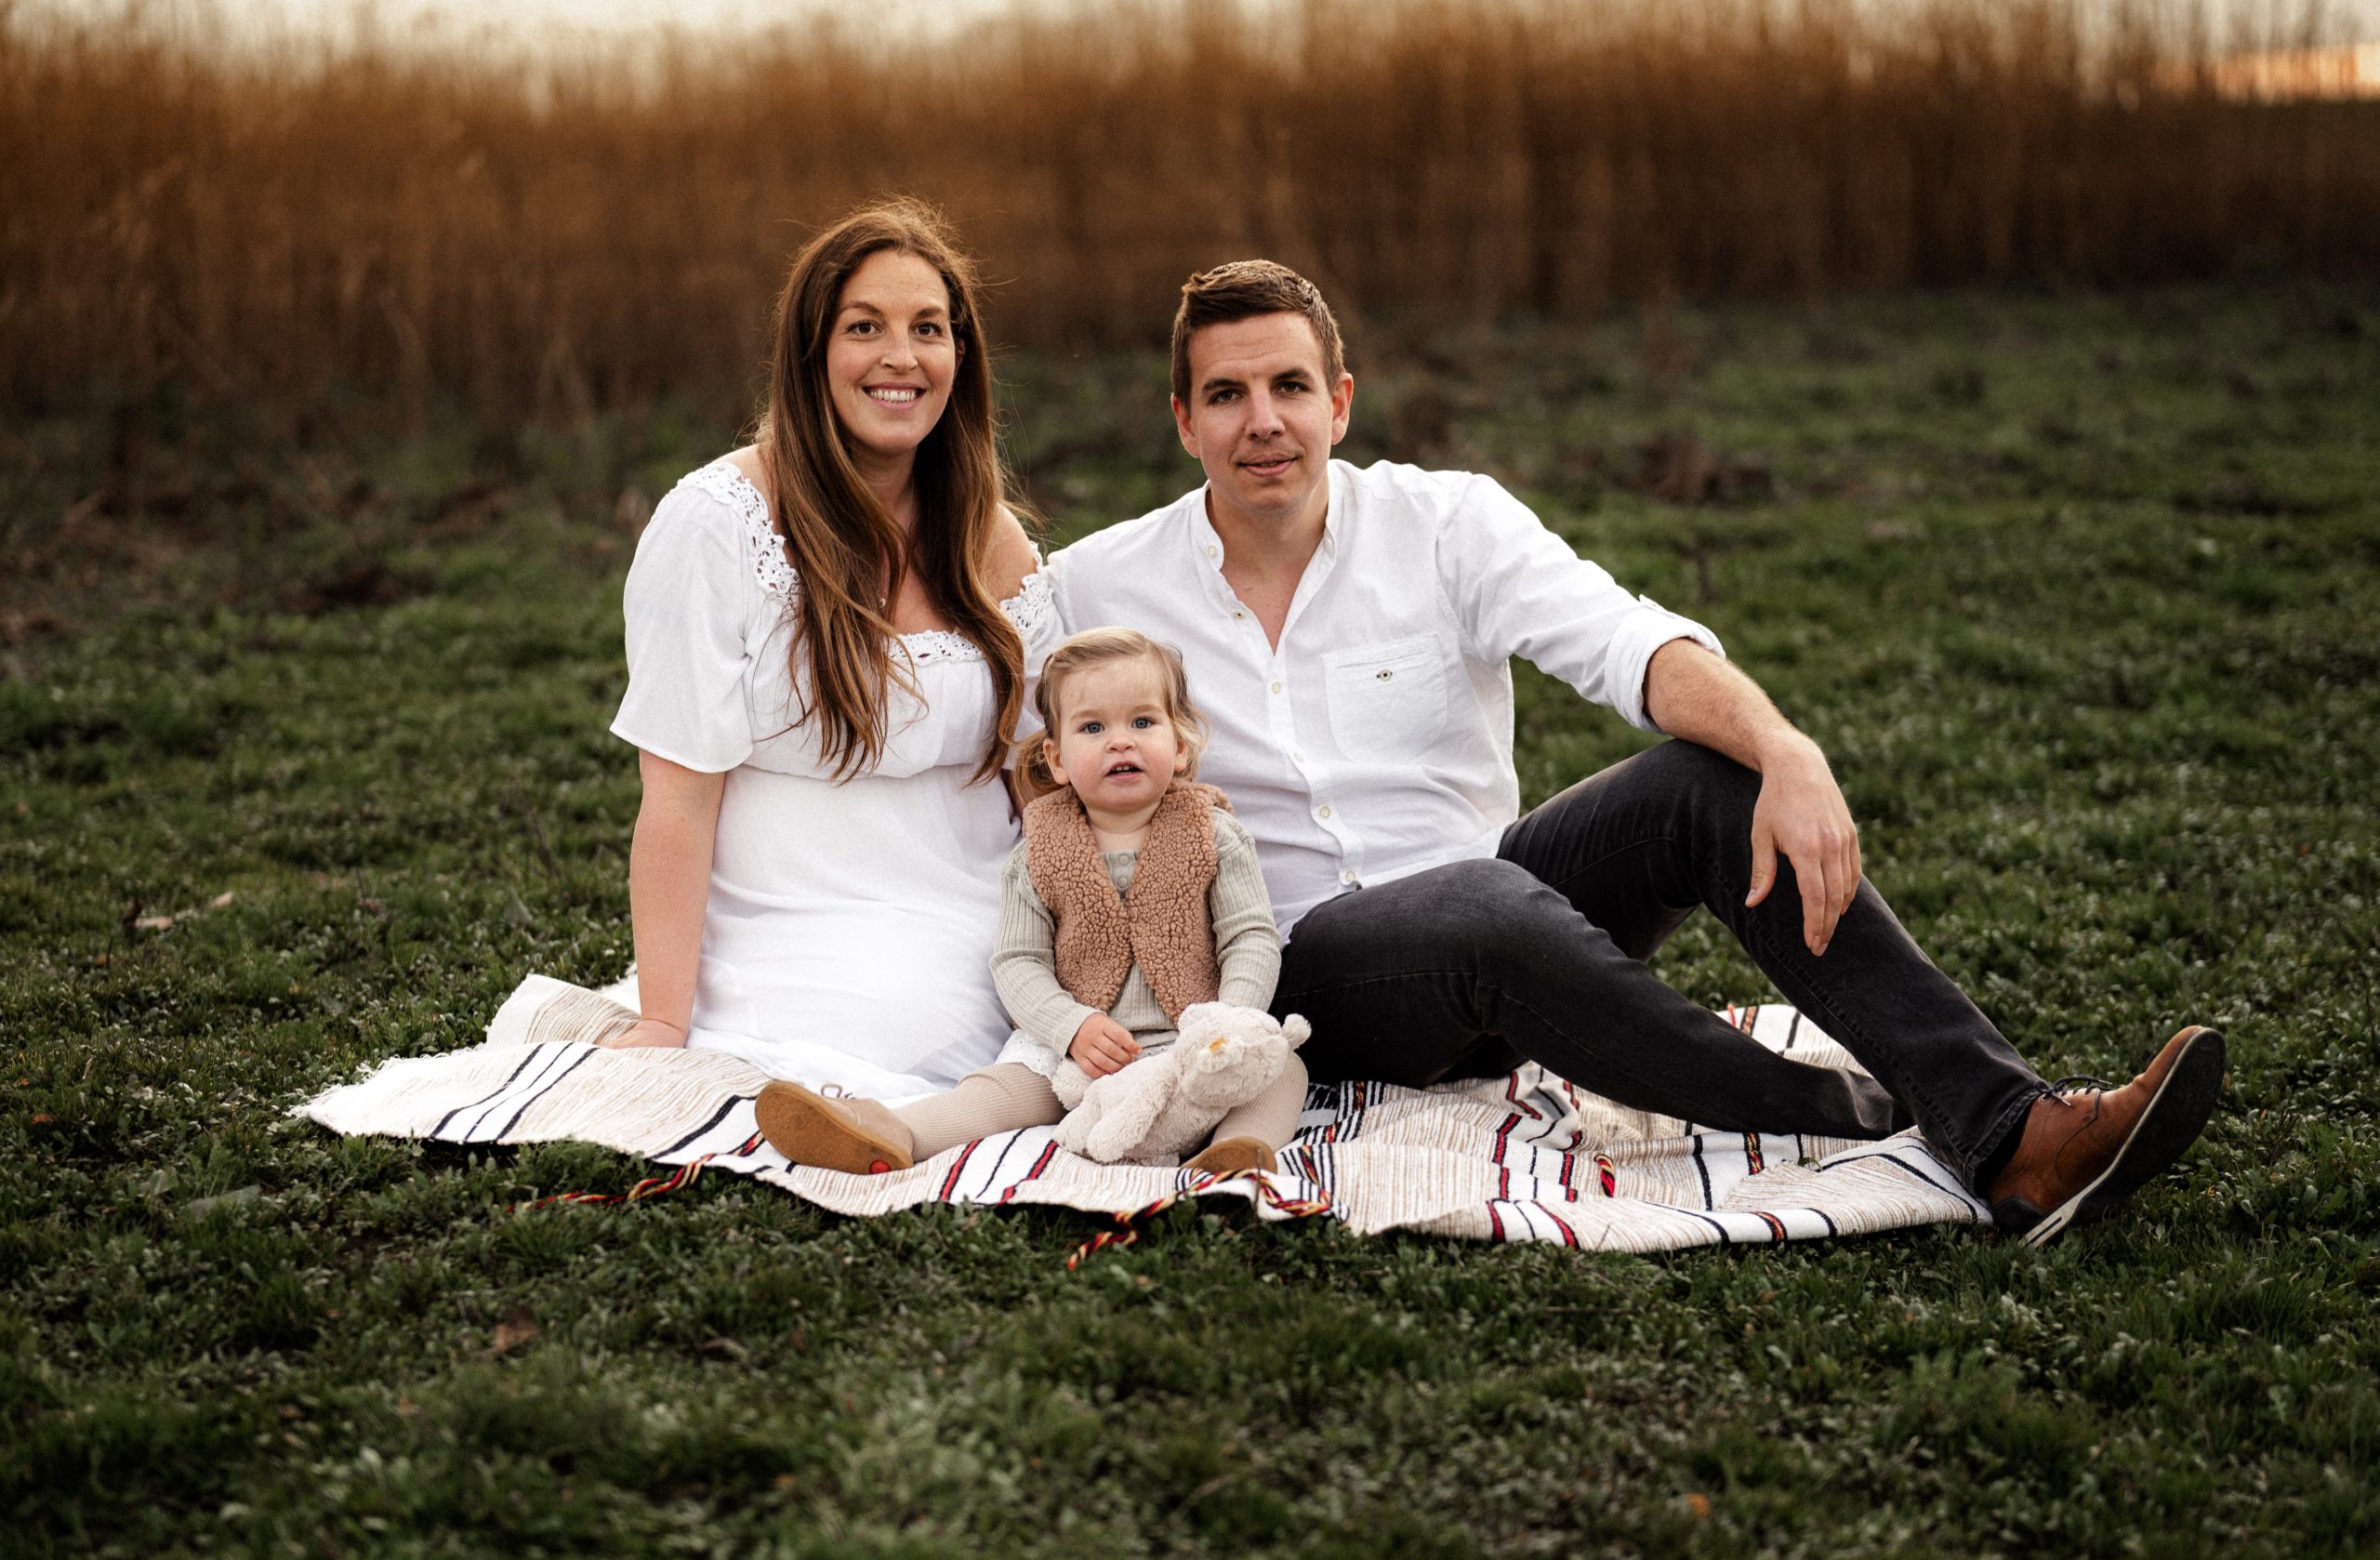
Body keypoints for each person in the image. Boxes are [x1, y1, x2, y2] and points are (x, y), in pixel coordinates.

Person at [1044, 258, 2224, 1247]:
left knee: (1703, 784)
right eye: (1227, 394)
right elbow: (993, 720)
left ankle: (2008, 1125)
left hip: (1502, 921)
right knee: (1478, 901)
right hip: (1304, 982)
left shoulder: (1445, 522)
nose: (1262, 421)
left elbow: (1628, 642)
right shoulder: (1102, 583)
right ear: (1183, 420)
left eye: (1289, 386)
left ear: (1339, 402)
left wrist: (1784, 748)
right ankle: (1865, 1117)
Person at [600, 199, 1068, 1158]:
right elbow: (678, 796)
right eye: (865, 327)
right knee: (885, 1019)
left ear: (961, 356)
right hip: (790, 920)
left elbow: (1041, 781)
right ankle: (899, 1112)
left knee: (1025, 1015)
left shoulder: (993, 540)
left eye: (928, 329)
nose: (901, 357)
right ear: (810, 352)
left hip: (982, 913)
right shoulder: (718, 524)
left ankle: (943, 1103)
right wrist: (662, 1019)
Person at [754, 626, 1307, 1176]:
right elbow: (1019, 960)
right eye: (1093, 727)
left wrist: (1229, 1023)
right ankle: (893, 1129)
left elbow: (1249, 937)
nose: (1121, 741)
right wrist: (1071, 1026)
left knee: (1283, 1070)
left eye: (1143, 722)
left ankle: (1239, 1150)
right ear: (1057, 759)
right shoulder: (1040, 851)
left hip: (1195, 1042)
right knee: (1001, 1087)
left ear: (1180, 746)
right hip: (1077, 1051)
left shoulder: (1213, 835)